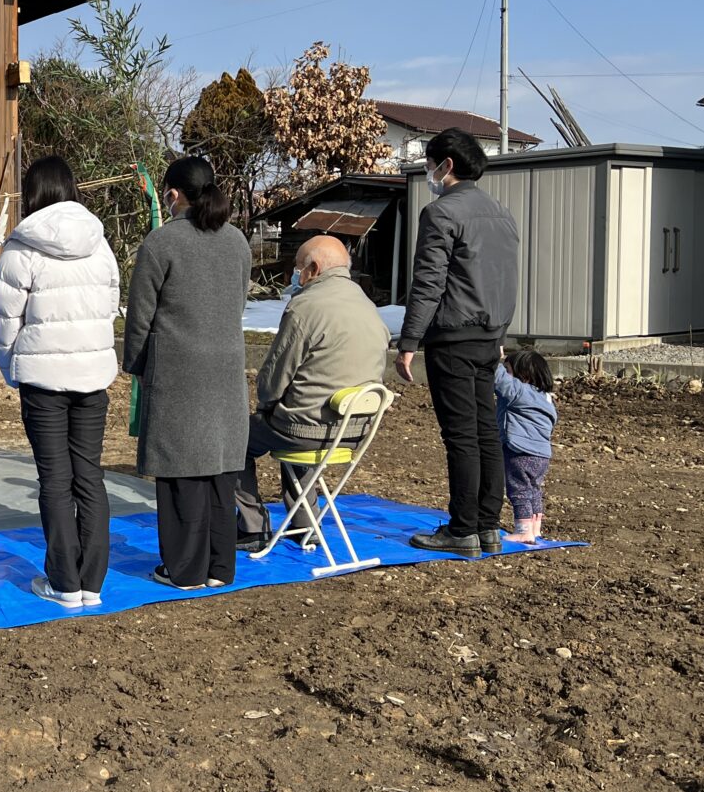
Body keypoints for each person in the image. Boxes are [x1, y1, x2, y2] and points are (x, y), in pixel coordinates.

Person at [0, 156, 120, 609]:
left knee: (55, 479)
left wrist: (11, 368)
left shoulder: (21, 247)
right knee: (90, 477)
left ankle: (63, 582)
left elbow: (5, 321)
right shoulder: (100, 243)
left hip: (43, 380)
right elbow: (110, 304)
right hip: (93, 377)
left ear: (32, 194)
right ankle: (92, 583)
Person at [124, 156, 251, 592]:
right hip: (228, 367)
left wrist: (138, 370)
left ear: (172, 195)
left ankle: (185, 569)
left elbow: (139, 319)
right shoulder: (237, 241)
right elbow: (238, 302)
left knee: (181, 471)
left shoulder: (161, 244)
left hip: (178, 368)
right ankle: (220, 567)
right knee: (219, 468)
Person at [394, 127, 520, 555]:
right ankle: (488, 526)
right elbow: (506, 279)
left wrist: (409, 340)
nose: (428, 172)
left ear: (446, 166)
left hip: (452, 336)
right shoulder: (502, 214)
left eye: (429, 164)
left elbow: (428, 283)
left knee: (461, 435)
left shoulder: (442, 212)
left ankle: (462, 527)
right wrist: (500, 333)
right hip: (489, 336)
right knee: (487, 430)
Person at [237, 235, 391, 544]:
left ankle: (252, 526)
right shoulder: (368, 306)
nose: (294, 275)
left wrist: (265, 407)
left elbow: (275, 376)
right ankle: (304, 525)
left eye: (297, 268)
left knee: (233, 441)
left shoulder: (305, 306)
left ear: (314, 268)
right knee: (300, 419)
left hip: (305, 428)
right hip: (355, 428)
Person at [495, 347, 557, 543]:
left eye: (509, 370)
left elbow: (499, 381)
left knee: (518, 489)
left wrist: (494, 358)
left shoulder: (520, 391)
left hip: (520, 451)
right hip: (542, 454)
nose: (506, 374)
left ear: (525, 376)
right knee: (533, 490)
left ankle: (523, 531)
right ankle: (535, 528)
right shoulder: (546, 398)